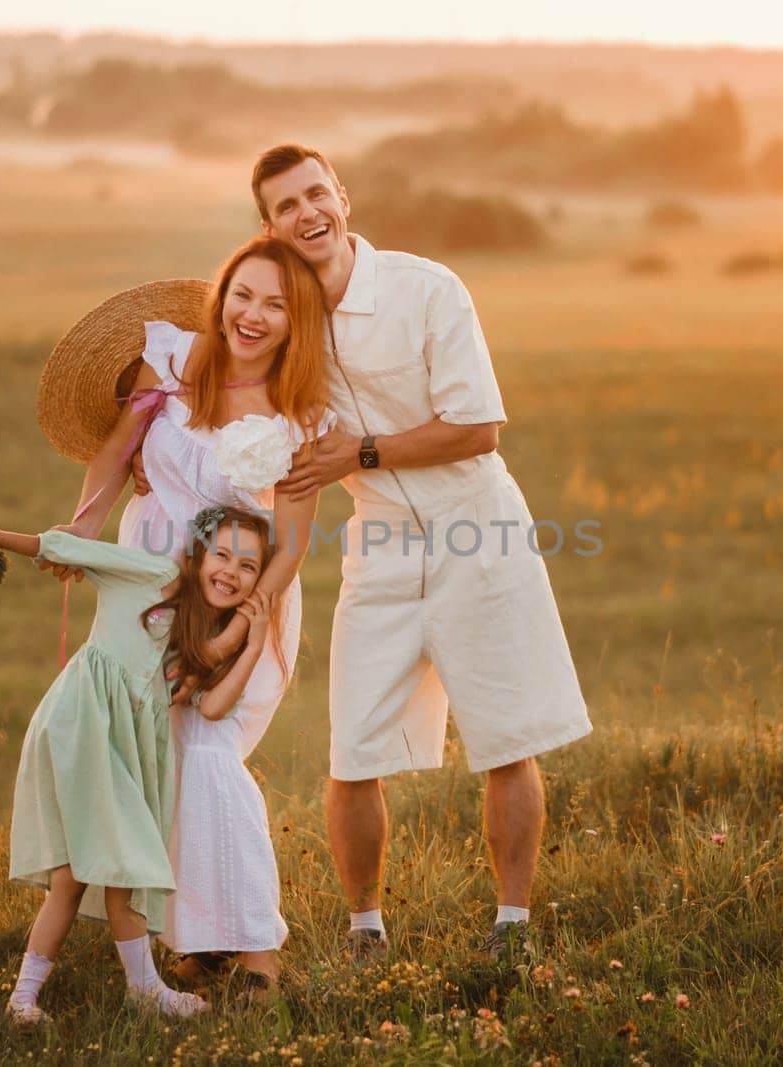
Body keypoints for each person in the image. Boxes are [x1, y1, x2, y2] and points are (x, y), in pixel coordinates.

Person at [252, 143, 593, 963]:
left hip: (481, 529)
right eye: (285, 207)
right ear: (268, 228)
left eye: (315, 195)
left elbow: (479, 426)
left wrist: (359, 453)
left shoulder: (427, 288)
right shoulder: (284, 322)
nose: (307, 214)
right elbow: (268, 436)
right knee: (352, 746)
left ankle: (512, 924)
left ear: (343, 197)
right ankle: (365, 929)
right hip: (380, 546)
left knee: (508, 737)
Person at [35, 237, 334, 990]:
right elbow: (113, 457)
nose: (255, 315)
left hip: (235, 591)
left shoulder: (303, 413)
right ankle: (197, 941)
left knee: (209, 752)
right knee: (161, 757)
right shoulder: (167, 362)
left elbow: (291, 541)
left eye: (276, 304)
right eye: (244, 295)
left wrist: (242, 626)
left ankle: (257, 946)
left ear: (296, 321)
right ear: (221, 295)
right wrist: (81, 530)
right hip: (147, 585)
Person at [0, 507, 279, 1021]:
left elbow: (216, 706)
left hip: (124, 745)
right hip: (83, 725)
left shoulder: (200, 633)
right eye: (222, 556)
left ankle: (47, 997)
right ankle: (52, 995)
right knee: (97, 868)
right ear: (199, 556)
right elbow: (68, 549)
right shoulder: (153, 574)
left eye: (248, 567)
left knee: (98, 873)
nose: (231, 572)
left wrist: (258, 635)